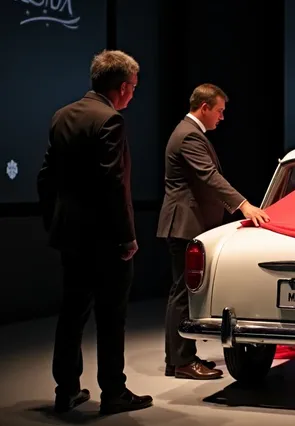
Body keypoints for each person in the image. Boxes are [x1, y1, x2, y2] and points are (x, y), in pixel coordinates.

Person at [36, 50, 153, 415]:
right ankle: (114, 392)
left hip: (70, 235)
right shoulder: (110, 121)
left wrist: (54, 221)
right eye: (133, 87)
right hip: (105, 239)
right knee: (111, 316)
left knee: (71, 313)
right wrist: (127, 237)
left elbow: (45, 177)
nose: (133, 94)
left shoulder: (62, 116)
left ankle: (66, 390)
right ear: (121, 87)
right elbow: (113, 184)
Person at [156, 83, 270, 380]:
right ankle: (181, 361)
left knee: (184, 292)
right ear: (204, 107)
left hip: (188, 222)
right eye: (219, 111)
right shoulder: (189, 135)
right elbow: (209, 177)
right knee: (183, 293)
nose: (222, 117)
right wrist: (244, 206)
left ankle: (181, 358)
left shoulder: (190, 132)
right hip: (185, 223)